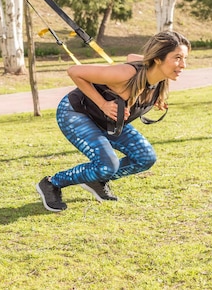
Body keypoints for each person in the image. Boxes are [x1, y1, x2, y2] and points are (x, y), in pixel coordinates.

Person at [36, 31, 190, 212]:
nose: (183, 65)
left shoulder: (157, 79)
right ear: (158, 58)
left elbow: (131, 56)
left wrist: (154, 99)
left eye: (185, 58)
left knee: (145, 157)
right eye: (177, 58)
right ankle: (52, 183)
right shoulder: (125, 74)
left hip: (108, 121)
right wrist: (102, 104)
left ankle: (96, 179)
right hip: (75, 113)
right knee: (107, 165)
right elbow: (74, 72)